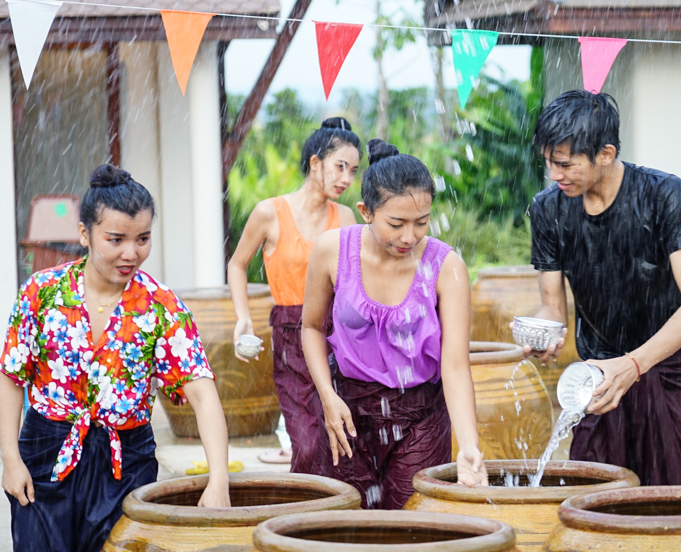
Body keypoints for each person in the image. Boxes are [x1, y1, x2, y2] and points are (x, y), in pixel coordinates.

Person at [0, 165, 231, 552]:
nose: (131, 253)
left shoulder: (161, 306)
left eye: (143, 238)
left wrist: (218, 479)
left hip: (126, 464)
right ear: (84, 234)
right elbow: (11, 375)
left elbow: (203, 394)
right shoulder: (41, 293)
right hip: (45, 455)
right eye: (116, 239)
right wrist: (10, 457)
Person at [527, 90, 681, 485]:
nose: (554, 175)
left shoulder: (664, 195)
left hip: (671, 369)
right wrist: (542, 330)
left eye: (565, 164)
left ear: (606, 154)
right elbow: (553, 308)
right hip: (597, 378)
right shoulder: (548, 209)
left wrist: (633, 365)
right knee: (595, 507)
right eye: (549, 163)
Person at [302, 139, 488, 510]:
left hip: (420, 416)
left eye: (421, 223)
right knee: (346, 524)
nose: (409, 237)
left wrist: (469, 445)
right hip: (347, 410)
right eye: (396, 223)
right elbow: (310, 328)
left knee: (411, 525)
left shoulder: (446, 267)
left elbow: (454, 365)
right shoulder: (332, 250)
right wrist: (327, 395)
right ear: (365, 212)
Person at [228, 117, 360, 473]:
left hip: (337, 337)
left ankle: (337, 518)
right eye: (340, 167)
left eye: (353, 170)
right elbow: (237, 264)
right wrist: (244, 317)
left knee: (342, 438)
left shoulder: (346, 218)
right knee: (305, 442)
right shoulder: (270, 213)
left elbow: (359, 280)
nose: (346, 179)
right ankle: (301, 519)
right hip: (290, 334)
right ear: (315, 163)